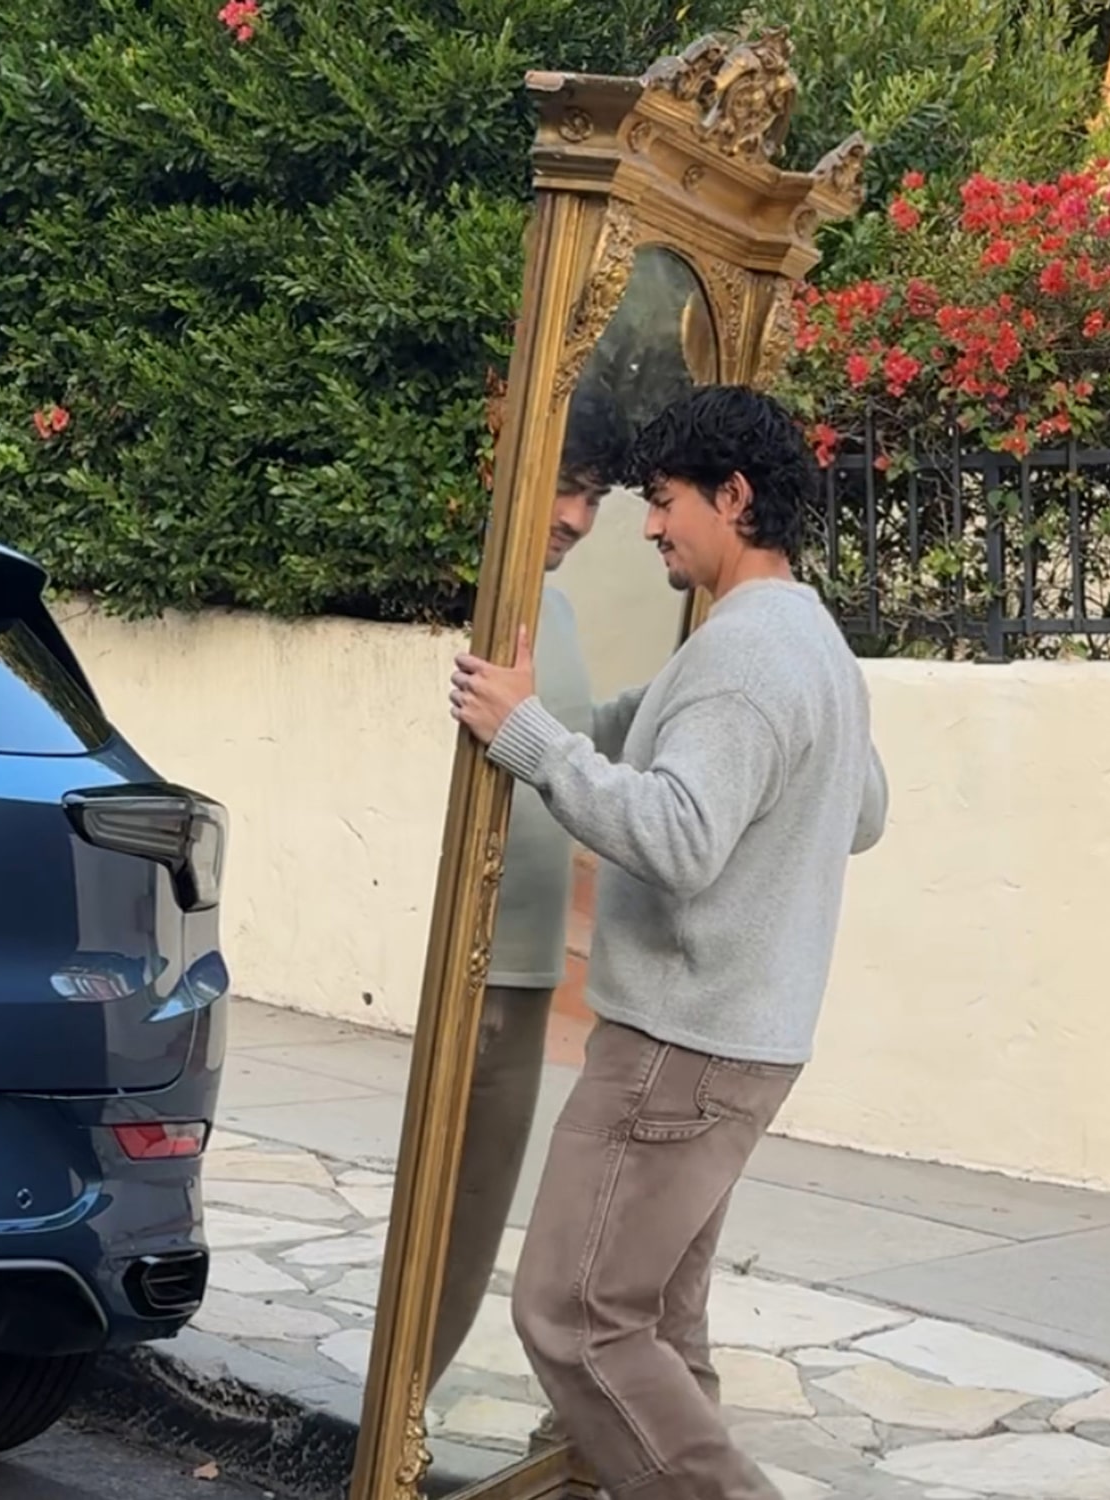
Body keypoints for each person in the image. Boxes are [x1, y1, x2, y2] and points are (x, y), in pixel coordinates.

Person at [449, 385, 890, 1500]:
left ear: (733, 499)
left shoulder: (744, 657)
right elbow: (861, 805)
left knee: (573, 1316)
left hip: (675, 1053)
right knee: (656, 1328)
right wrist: (561, 718)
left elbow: (680, 835)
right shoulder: (804, 639)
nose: (646, 525)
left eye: (663, 501)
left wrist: (536, 745)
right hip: (741, 1043)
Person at [427, 388, 629, 1384]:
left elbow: (568, 726)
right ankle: (394, 1433)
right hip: (474, 966)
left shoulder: (543, 602)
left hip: (517, 966)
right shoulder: (482, 591)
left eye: (593, 497)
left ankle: (398, 1432)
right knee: (450, 1225)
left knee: (468, 1223)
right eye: (567, 488)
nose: (579, 520)